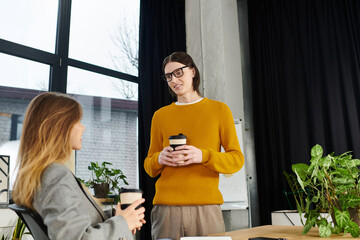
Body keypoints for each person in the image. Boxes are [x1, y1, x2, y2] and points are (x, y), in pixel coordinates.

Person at [12, 92, 145, 240]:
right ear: (61, 127)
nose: (83, 127)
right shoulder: (55, 175)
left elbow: (75, 223)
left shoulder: (43, 174)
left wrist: (117, 216)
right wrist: (123, 222)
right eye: (78, 122)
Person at [144, 52, 245, 240]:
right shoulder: (160, 116)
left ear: (192, 71)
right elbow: (149, 167)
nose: (174, 80)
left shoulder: (219, 110)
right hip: (166, 210)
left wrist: (204, 156)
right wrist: (159, 158)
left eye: (178, 72)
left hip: (206, 210)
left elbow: (236, 159)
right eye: (169, 76)